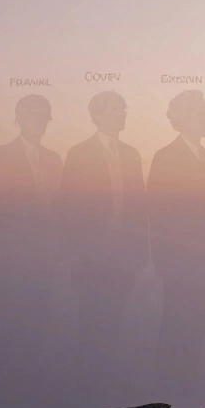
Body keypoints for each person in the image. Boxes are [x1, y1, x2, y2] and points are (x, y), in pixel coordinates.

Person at [58, 91, 147, 389]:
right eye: (115, 109)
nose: (122, 113)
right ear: (96, 116)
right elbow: (69, 204)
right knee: (91, 320)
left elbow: (139, 205)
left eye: (124, 108)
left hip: (123, 257)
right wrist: (79, 252)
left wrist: (140, 251)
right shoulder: (79, 153)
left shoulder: (132, 154)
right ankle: (86, 381)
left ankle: (105, 380)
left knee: (115, 319)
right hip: (92, 258)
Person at [0, 94, 63, 385]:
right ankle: (3, 378)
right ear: (19, 119)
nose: (41, 121)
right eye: (34, 114)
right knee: (8, 318)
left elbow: (60, 208)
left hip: (44, 258)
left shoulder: (54, 160)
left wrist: (58, 249)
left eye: (44, 115)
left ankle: (29, 377)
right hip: (11, 258)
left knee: (39, 317)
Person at [147, 90, 205, 397]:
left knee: (201, 321)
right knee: (176, 325)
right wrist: (165, 260)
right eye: (201, 113)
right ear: (182, 119)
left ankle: (187, 387)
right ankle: (165, 392)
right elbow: (158, 211)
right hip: (179, 261)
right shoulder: (165, 157)